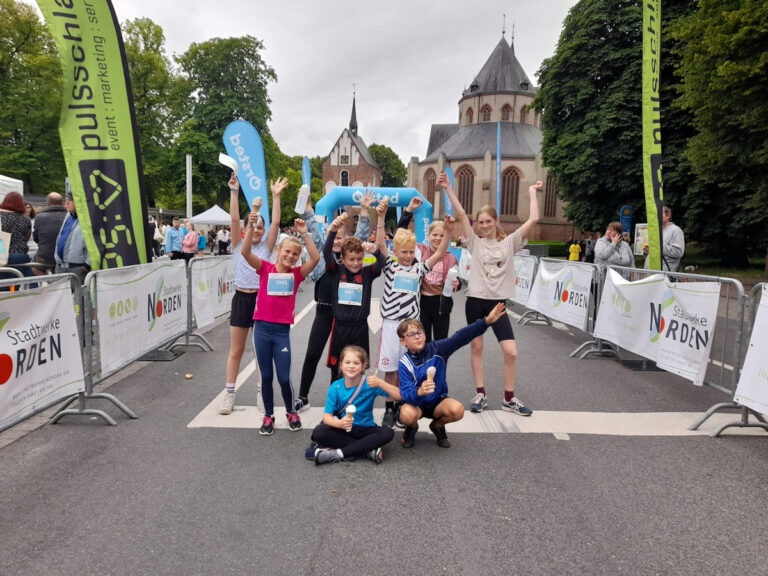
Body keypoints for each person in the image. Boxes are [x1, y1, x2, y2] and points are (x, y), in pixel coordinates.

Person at [441, 172, 541, 416]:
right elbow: (462, 214)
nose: (483, 226)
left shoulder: (511, 243)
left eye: (488, 221)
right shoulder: (474, 242)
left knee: (511, 351)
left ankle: (509, 398)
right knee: (476, 347)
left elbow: (535, 218)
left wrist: (531, 192)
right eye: (480, 222)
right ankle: (480, 394)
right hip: (475, 302)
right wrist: (448, 188)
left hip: (497, 305)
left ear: (496, 222)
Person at [240, 205, 320, 436]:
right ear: (278, 251)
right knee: (266, 376)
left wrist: (305, 234)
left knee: (284, 378)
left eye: (295, 254)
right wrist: (252, 225)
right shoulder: (265, 268)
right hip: (262, 330)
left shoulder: (297, 275)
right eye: (287, 252)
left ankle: (290, 411)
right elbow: (245, 253)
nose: (291, 256)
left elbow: (315, 258)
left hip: (281, 332)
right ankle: (268, 415)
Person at [374, 198, 453, 429]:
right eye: (404, 252)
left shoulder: (419, 268)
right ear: (396, 251)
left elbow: (439, 252)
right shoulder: (390, 265)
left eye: (411, 252)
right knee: (390, 370)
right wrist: (380, 217)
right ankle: (389, 407)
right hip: (391, 324)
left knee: (407, 367)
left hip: (411, 326)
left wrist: (447, 230)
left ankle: (403, 406)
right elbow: (380, 244)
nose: (408, 256)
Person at [294, 192, 373, 414]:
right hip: (324, 311)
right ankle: (303, 396)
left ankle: (340, 402)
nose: (337, 241)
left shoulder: (350, 262)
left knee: (341, 361)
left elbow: (362, 235)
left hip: (345, 318)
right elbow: (317, 236)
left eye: (341, 238)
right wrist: (308, 208)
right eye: (335, 238)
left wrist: (365, 211)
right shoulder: (325, 258)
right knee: (312, 354)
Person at [398, 302, 508, 448]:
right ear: (403, 341)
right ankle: (412, 427)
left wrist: (486, 322)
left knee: (457, 410)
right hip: (416, 404)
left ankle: (437, 426)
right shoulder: (404, 362)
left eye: (419, 332)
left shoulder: (438, 348)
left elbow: (460, 336)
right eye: (411, 334)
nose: (417, 337)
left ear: (425, 335)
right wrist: (419, 392)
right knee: (406, 415)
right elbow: (405, 393)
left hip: (437, 401)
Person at [218, 173, 281, 416]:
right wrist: (234, 192)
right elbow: (234, 219)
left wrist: (275, 197)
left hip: (262, 301)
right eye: (253, 226)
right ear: (246, 229)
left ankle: (260, 393)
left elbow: (276, 223)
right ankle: (229, 394)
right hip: (242, 300)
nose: (257, 230)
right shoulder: (237, 245)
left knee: (260, 351)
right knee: (236, 350)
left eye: (260, 227)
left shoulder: (266, 247)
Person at [323, 213, 386, 384]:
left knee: (358, 367)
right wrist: (332, 232)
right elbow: (326, 252)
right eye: (351, 259)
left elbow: (381, 263)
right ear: (343, 259)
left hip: (359, 328)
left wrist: (376, 251)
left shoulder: (367, 273)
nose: (356, 263)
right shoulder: (337, 271)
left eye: (360, 259)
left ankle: (357, 403)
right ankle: (335, 405)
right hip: (340, 328)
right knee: (337, 369)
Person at [310, 346, 401, 465]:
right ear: (341, 365)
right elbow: (327, 417)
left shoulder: (370, 383)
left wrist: (381, 383)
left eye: (356, 363)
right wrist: (338, 423)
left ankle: (338, 453)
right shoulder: (335, 387)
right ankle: (366, 450)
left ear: (363, 366)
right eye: (347, 362)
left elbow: (400, 396)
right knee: (319, 432)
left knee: (388, 433)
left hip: (366, 427)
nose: (351, 366)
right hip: (344, 427)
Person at [396, 198, 461, 342]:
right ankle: (425, 365)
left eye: (442, 235)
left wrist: (457, 284)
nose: (438, 238)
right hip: (421, 302)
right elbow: (400, 233)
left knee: (441, 342)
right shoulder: (419, 251)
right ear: (428, 236)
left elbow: (458, 281)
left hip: (441, 304)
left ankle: (439, 365)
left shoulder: (451, 258)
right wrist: (409, 211)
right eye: (435, 235)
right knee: (422, 342)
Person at [53, 194, 90, 283]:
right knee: (61, 296)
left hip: (78, 268)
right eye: (66, 201)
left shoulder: (88, 219)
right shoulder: (68, 216)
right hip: (60, 266)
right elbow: (61, 237)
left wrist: (88, 264)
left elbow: (94, 242)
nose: (67, 203)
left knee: (79, 296)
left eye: (70, 201)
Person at [32, 192, 67, 274]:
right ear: (63, 203)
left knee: (33, 266)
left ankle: (50, 283)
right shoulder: (69, 216)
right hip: (64, 257)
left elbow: (36, 238)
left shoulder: (40, 217)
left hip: (45, 257)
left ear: (47, 203)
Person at [643, 205, 685, 272]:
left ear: (668, 216)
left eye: (659, 213)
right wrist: (647, 252)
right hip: (650, 273)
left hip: (664, 275)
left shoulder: (676, 230)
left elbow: (678, 252)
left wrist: (658, 246)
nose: (656, 215)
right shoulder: (655, 231)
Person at [0, 191, 33, 277]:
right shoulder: (26, 219)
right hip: (19, 256)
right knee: (14, 283)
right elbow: (27, 237)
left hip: (1, 254)